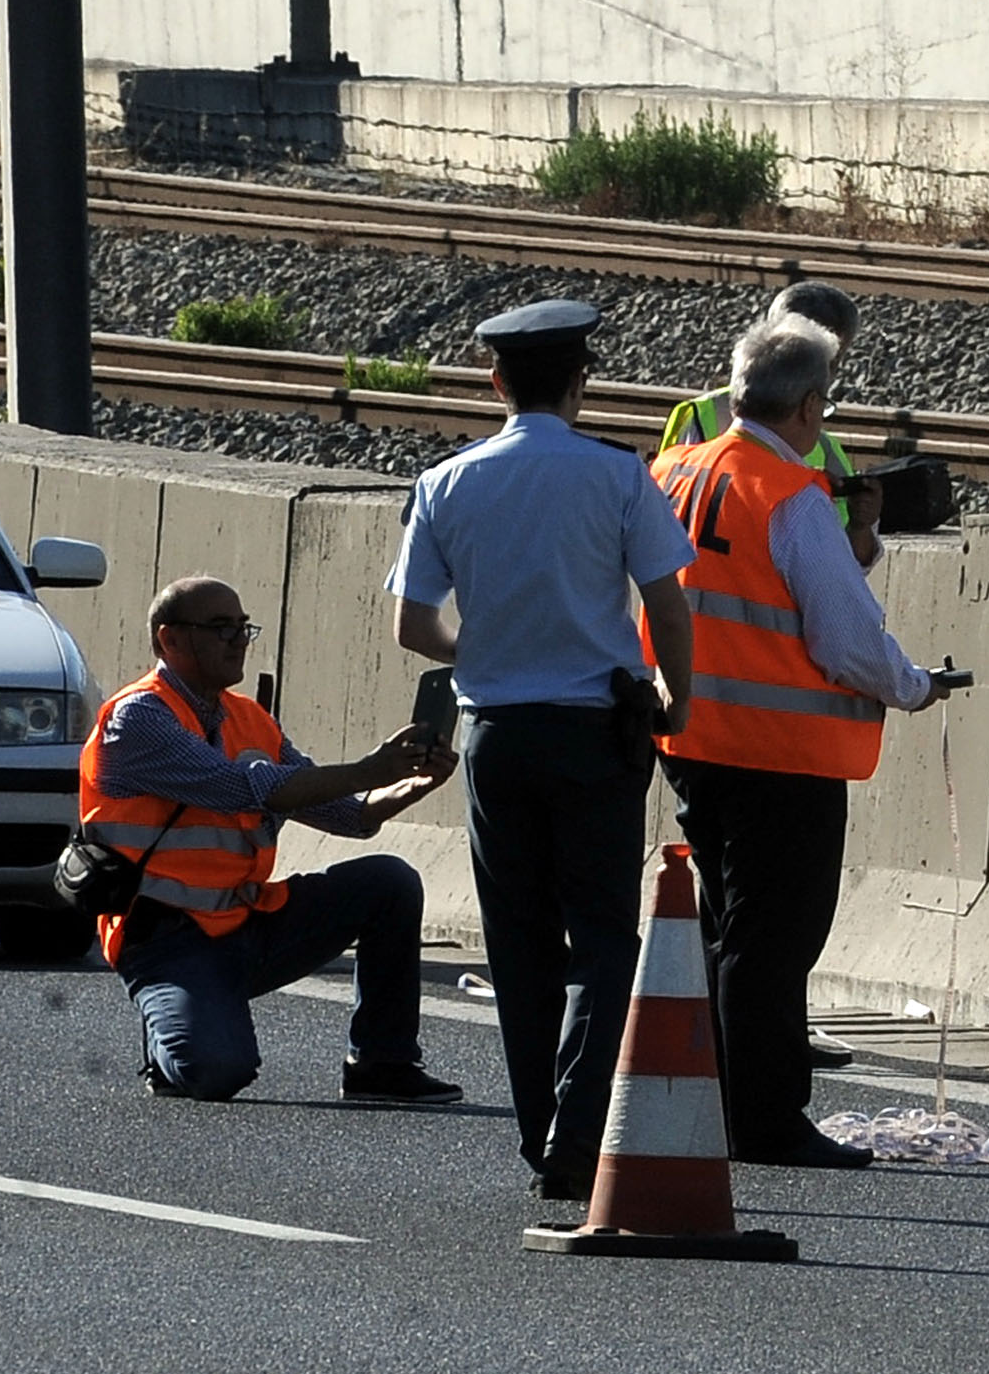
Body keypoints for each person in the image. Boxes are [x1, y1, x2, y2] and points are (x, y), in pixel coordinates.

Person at [391, 298, 698, 1201]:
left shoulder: (446, 482)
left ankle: (540, 1140)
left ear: (494, 381)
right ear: (580, 381)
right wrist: (674, 700)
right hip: (596, 731)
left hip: (497, 735)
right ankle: (579, 1122)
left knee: (517, 941)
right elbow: (667, 605)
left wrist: (484, 650)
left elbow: (414, 626)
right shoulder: (615, 476)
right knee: (602, 936)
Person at [648, 314, 955, 1170]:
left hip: (688, 735)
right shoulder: (788, 496)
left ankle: (719, 1099)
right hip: (779, 750)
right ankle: (768, 1118)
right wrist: (914, 685)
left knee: (727, 928)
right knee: (772, 941)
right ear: (811, 406)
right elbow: (845, 636)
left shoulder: (676, 469)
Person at [81, 576, 464, 1106]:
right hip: (168, 938)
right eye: (221, 629)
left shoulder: (250, 718)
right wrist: (367, 768)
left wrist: (407, 786)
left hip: (248, 922)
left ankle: (382, 1063)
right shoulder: (139, 718)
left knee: (388, 882)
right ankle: (169, 1037)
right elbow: (243, 788)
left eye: (242, 628)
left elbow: (348, 817)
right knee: (216, 1073)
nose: (238, 640)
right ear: (170, 641)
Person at [657, 280, 881, 568]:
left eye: (833, 361)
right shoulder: (704, 417)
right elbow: (665, 520)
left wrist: (862, 527)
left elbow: (846, 564)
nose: (827, 372)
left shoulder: (827, 450)